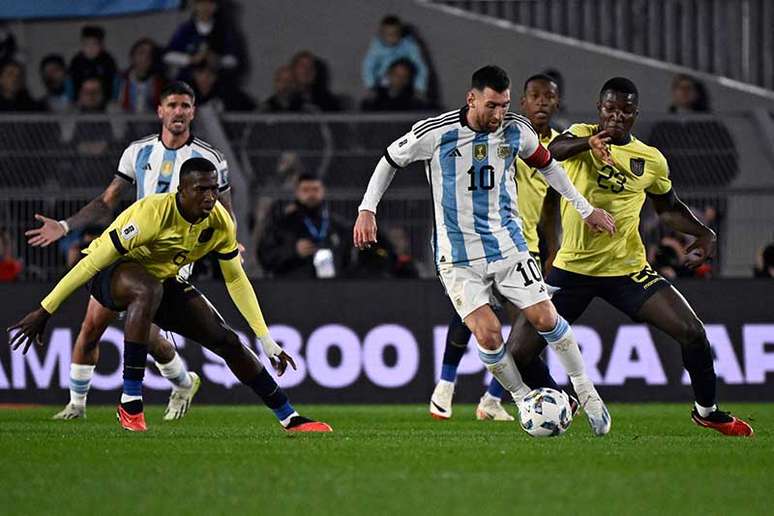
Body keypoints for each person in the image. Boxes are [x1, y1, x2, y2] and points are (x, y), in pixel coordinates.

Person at [354, 65, 616, 435]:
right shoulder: (437, 132)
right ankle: (524, 399)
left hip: (508, 245)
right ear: (471, 98)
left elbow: (548, 166)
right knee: (489, 334)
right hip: (458, 257)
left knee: (545, 318)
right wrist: (367, 209)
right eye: (492, 106)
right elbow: (388, 162)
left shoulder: (516, 130)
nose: (498, 115)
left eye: (505, 106)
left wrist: (586, 210)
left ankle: (586, 392)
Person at [10, 158, 331, 434]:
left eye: (214, 188)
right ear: (182, 191)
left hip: (160, 281)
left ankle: (289, 416)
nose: (210, 196)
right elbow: (93, 261)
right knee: (143, 291)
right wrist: (45, 309)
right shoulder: (152, 213)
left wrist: (266, 339)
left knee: (227, 341)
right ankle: (131, 402)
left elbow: (236, 279)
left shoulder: (220, 222)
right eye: (201, 189)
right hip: (110, 273)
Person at [507, 76, 752, 437]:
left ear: (635, 114)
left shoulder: (650, 159)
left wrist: (704, 233)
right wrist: (587, 144)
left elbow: (667, 207)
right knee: (517, 353)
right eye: (609, 109)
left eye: (625, 110)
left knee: (693, 333)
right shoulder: (578, 136)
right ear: (599, 109)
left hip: (627, 270)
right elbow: (553, 151)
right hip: (571, 271)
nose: (616, 116)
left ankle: (707, 412)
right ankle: (563, 400)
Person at [25, 81, 231, 422]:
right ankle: (78, 405)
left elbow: (224, 207)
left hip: (173, 256)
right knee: (94, 324)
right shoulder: (138, 152)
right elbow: (108, 202)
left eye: (185, 106)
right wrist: (65, 226)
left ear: (193, 112)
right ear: (160, 111)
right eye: (172, 105)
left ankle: (161, 388)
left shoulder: (210, 158)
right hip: (132, 246)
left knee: (141, 324)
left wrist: (231, 241)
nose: (178, 112)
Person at [429, 73, 565, 422]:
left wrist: (554, 248)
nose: (542, 103)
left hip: (524, 244)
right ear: (521, 102)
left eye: (549, 97)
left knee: (526, 329)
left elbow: (550, 201)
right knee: (476, 314)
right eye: (535, 96)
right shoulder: (502, 133)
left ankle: (493, 398)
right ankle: (446, 385)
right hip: (476, 240)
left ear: (556, 102)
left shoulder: (544, 141)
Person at [258, 173, 350, 279]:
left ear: (323, 191)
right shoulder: (281, 225)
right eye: (305, 190)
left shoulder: (337, 225)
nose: (311, 194)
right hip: (292, 288)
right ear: (297, 192)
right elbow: (265, 257)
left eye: (315, 189)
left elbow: (349, 260)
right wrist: (293, 251)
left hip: (333, 288)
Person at [163, 0, 241, 80]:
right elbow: (168, 55)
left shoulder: (223, 30)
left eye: (210, 3)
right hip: (188, 80)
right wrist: (191, 59)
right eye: (201, 3)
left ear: (216, 7)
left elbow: (234, 60)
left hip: (215, 81)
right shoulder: (186, 29)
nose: (205, 8)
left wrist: (219, 61)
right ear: (195, 6)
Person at [361, 15, 428, 99]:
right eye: (388, 35)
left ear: (401, 33)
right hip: (383, 81)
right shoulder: (376, 47)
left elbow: (420, 67)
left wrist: (419, 87)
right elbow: (368, 67)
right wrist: (370, 86)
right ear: (381, 34)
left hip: (405, 81)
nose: (392, 38)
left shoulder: (410, 46)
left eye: (395, 34)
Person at [68, 26, 117, 104]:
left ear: (102, 45)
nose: (90, 48)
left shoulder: (108, 60)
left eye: (94, 44)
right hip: (81, 100)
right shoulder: (77, 61)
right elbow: (71, 82)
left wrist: (112, 99)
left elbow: (114, 82)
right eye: (86, 44)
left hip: (104, 100)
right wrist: (73, 99)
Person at [361, 58, 432, 112]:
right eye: (396, 75)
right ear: (388, 74)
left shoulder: (416, 103)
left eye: (404, 76)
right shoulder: (374, 100)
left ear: (409, 79)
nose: (399, 79)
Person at [117, 38, 166, 113]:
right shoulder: (121, 79)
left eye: (150, 54)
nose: (145, 58)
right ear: (132, 56)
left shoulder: (161, 82)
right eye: (141, 53)